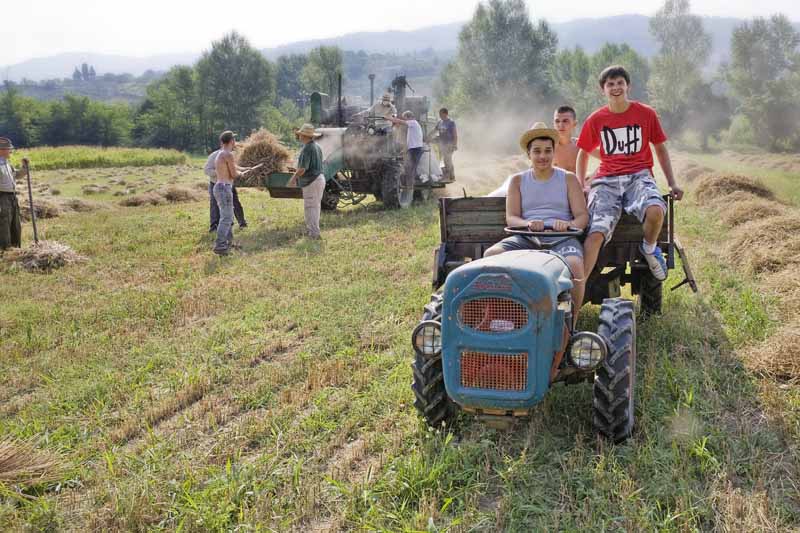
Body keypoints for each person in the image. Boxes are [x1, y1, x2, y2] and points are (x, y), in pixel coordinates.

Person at [576, 65, 684, 284]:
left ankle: (649, 248)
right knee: (595, 232)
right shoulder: (596, 120)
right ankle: (578, 286)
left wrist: (672, 183)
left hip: (638, 176)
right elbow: (583, 154)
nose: (615, 88)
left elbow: (660, 149)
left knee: (655, 210)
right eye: (610, 84)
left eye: (620, 83)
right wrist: (581, 185)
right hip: (606, 181)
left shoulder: (645, 113)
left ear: (628, 86)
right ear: (603, 90)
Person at [484, 123, 589, 321]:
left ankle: (571, 323)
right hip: (527, 237)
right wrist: (528, 223)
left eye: (548, 151)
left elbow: (582, 216)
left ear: (554, 152)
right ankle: (499, 315)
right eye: (537, 151)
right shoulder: (517, 180)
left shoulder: (568, 179)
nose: (543, 156)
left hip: (562, 238)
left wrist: (567, 225)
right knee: (491, 255)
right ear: (528, 154)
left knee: (575, 265)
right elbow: (511, 218)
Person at [487, 105, 595, 196]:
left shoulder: (580, 145)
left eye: (565, 121)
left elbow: (607, 159)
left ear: (574, 124)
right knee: (505, 190)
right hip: (547, 186)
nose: (560, 125)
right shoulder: (547, 147)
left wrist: (587, 182)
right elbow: (534, 168)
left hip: (571, 187)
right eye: (557, 121)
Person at [288, 123, 325, 240]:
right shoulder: (317, 146)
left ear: (305, 136)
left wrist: (293, 178)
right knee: (315, 206)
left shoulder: (307, 148)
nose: (298, 136)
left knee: (310, 207)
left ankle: (313, 234)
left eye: (300, 134)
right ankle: (314, 232)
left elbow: (303, 169)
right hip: (319, 179)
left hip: (312, 181)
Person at [204, 145, 248, 232]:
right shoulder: (214, 155)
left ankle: (242, 223)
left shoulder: (229, 155)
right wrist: (221, 172)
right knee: (214, 205)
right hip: (216, 184)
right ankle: (214, 227)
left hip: (228, 183)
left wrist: (244, 169)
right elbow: (207, 170)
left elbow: (234, 167)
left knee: (235, 202)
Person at [212, 130, 242, 256]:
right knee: (227, 218)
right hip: (224, 188)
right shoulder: (228, 155)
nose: (235, 142)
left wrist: (244, 169)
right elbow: (234, 174)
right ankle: (220, 246)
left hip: (219, 187)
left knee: (227, 217)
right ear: (231, 141)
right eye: (234, 139)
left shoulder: (221, 154)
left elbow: (232, 168)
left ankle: (228, 243)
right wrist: (242, 174)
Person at [385, 111, 425, 196]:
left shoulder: (413, 122)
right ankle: (409, 184)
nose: (404, 119)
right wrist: (405, 149)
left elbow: (400, 122)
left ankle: (410, 185)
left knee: (411, 166)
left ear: (408, 117)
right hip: (413, 148)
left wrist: (388, 118)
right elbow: (410, 139)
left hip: (416, 149)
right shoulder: (413, 125)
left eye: (405, 118)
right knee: (408, 166)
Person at [0, 137, 26, 251]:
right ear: (1, 150)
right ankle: (5, 251)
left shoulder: (6, 163)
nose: (11, 151)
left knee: (15, 224)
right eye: (8, 149)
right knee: (4, 224)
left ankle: (15, 249)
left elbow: (17, 175)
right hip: (2, 198)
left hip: (12, 197)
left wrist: (25, 167)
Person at [434, 108, 458, 180]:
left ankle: (450, 175)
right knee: (444, 160)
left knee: (447, 159)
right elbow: (434, 130)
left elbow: (455, 134)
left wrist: (455, 144)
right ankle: (449, 175)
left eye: (441, 114)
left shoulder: (451, 122)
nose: (440, 115)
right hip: (442, 144)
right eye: (439, 114)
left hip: (449, 144)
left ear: (445, 114)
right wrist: (428, 137)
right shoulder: (440, 122)